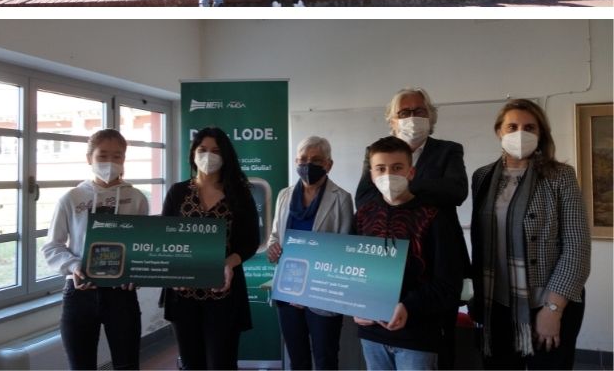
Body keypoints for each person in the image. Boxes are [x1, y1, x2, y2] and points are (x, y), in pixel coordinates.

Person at [470, 100, 591, 370]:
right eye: (512, 126)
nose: (520, 133)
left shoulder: (561, 176)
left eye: (529, 127)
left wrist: (553, 310)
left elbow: (577, 247)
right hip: (496, 305)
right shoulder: (482, 177)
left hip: (547, 301)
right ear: (499, 131)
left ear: (540, 134)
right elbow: (479, 241)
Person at [356, 88, 469, 369]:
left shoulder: (447, 150)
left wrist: (404, 188)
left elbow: (456, 191)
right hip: (384, 263)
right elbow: (365, 198)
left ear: (430, 116)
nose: (412, 117)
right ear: (391, 120)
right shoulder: (375, 151)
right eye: (403, 113)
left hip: (432, 257)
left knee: (439, 350)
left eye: (419, 111)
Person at [43, 129, 150, 370]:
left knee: (127, 365)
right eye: (103, 156)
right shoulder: (71, 198)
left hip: (121, 294)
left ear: (124, 159)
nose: (110, 162)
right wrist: (75, 266)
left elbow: (142, 246)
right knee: (81, 366)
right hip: (80, 292)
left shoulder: (136, 199)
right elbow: (52, 246)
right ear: (89, 158)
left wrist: (136, 273)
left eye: (117, 156)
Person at [161, 126, 260, 370]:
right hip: (183, 296)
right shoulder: (178, 192)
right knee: (192, 364)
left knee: (222, 364)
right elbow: (163, 238)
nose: (208, 155)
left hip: (223, 295)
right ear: (193, 154)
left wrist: (230, 262)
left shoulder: (239, 193)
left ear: (225, 156)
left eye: (215, 150)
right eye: (202, 149)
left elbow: (250, 241)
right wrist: (172, 272)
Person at [265, 136, 354, 370]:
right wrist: (273, 248)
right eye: (303, 159)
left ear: (328, 164)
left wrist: (310, 288)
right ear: (296, 161)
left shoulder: (341, 198)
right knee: (298, 358)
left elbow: (343, 250)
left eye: (316, 159)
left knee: (325, 359)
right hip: (287, 290)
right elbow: (275, 235)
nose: (308, 164)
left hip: (321, 292)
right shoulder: (284, 195)